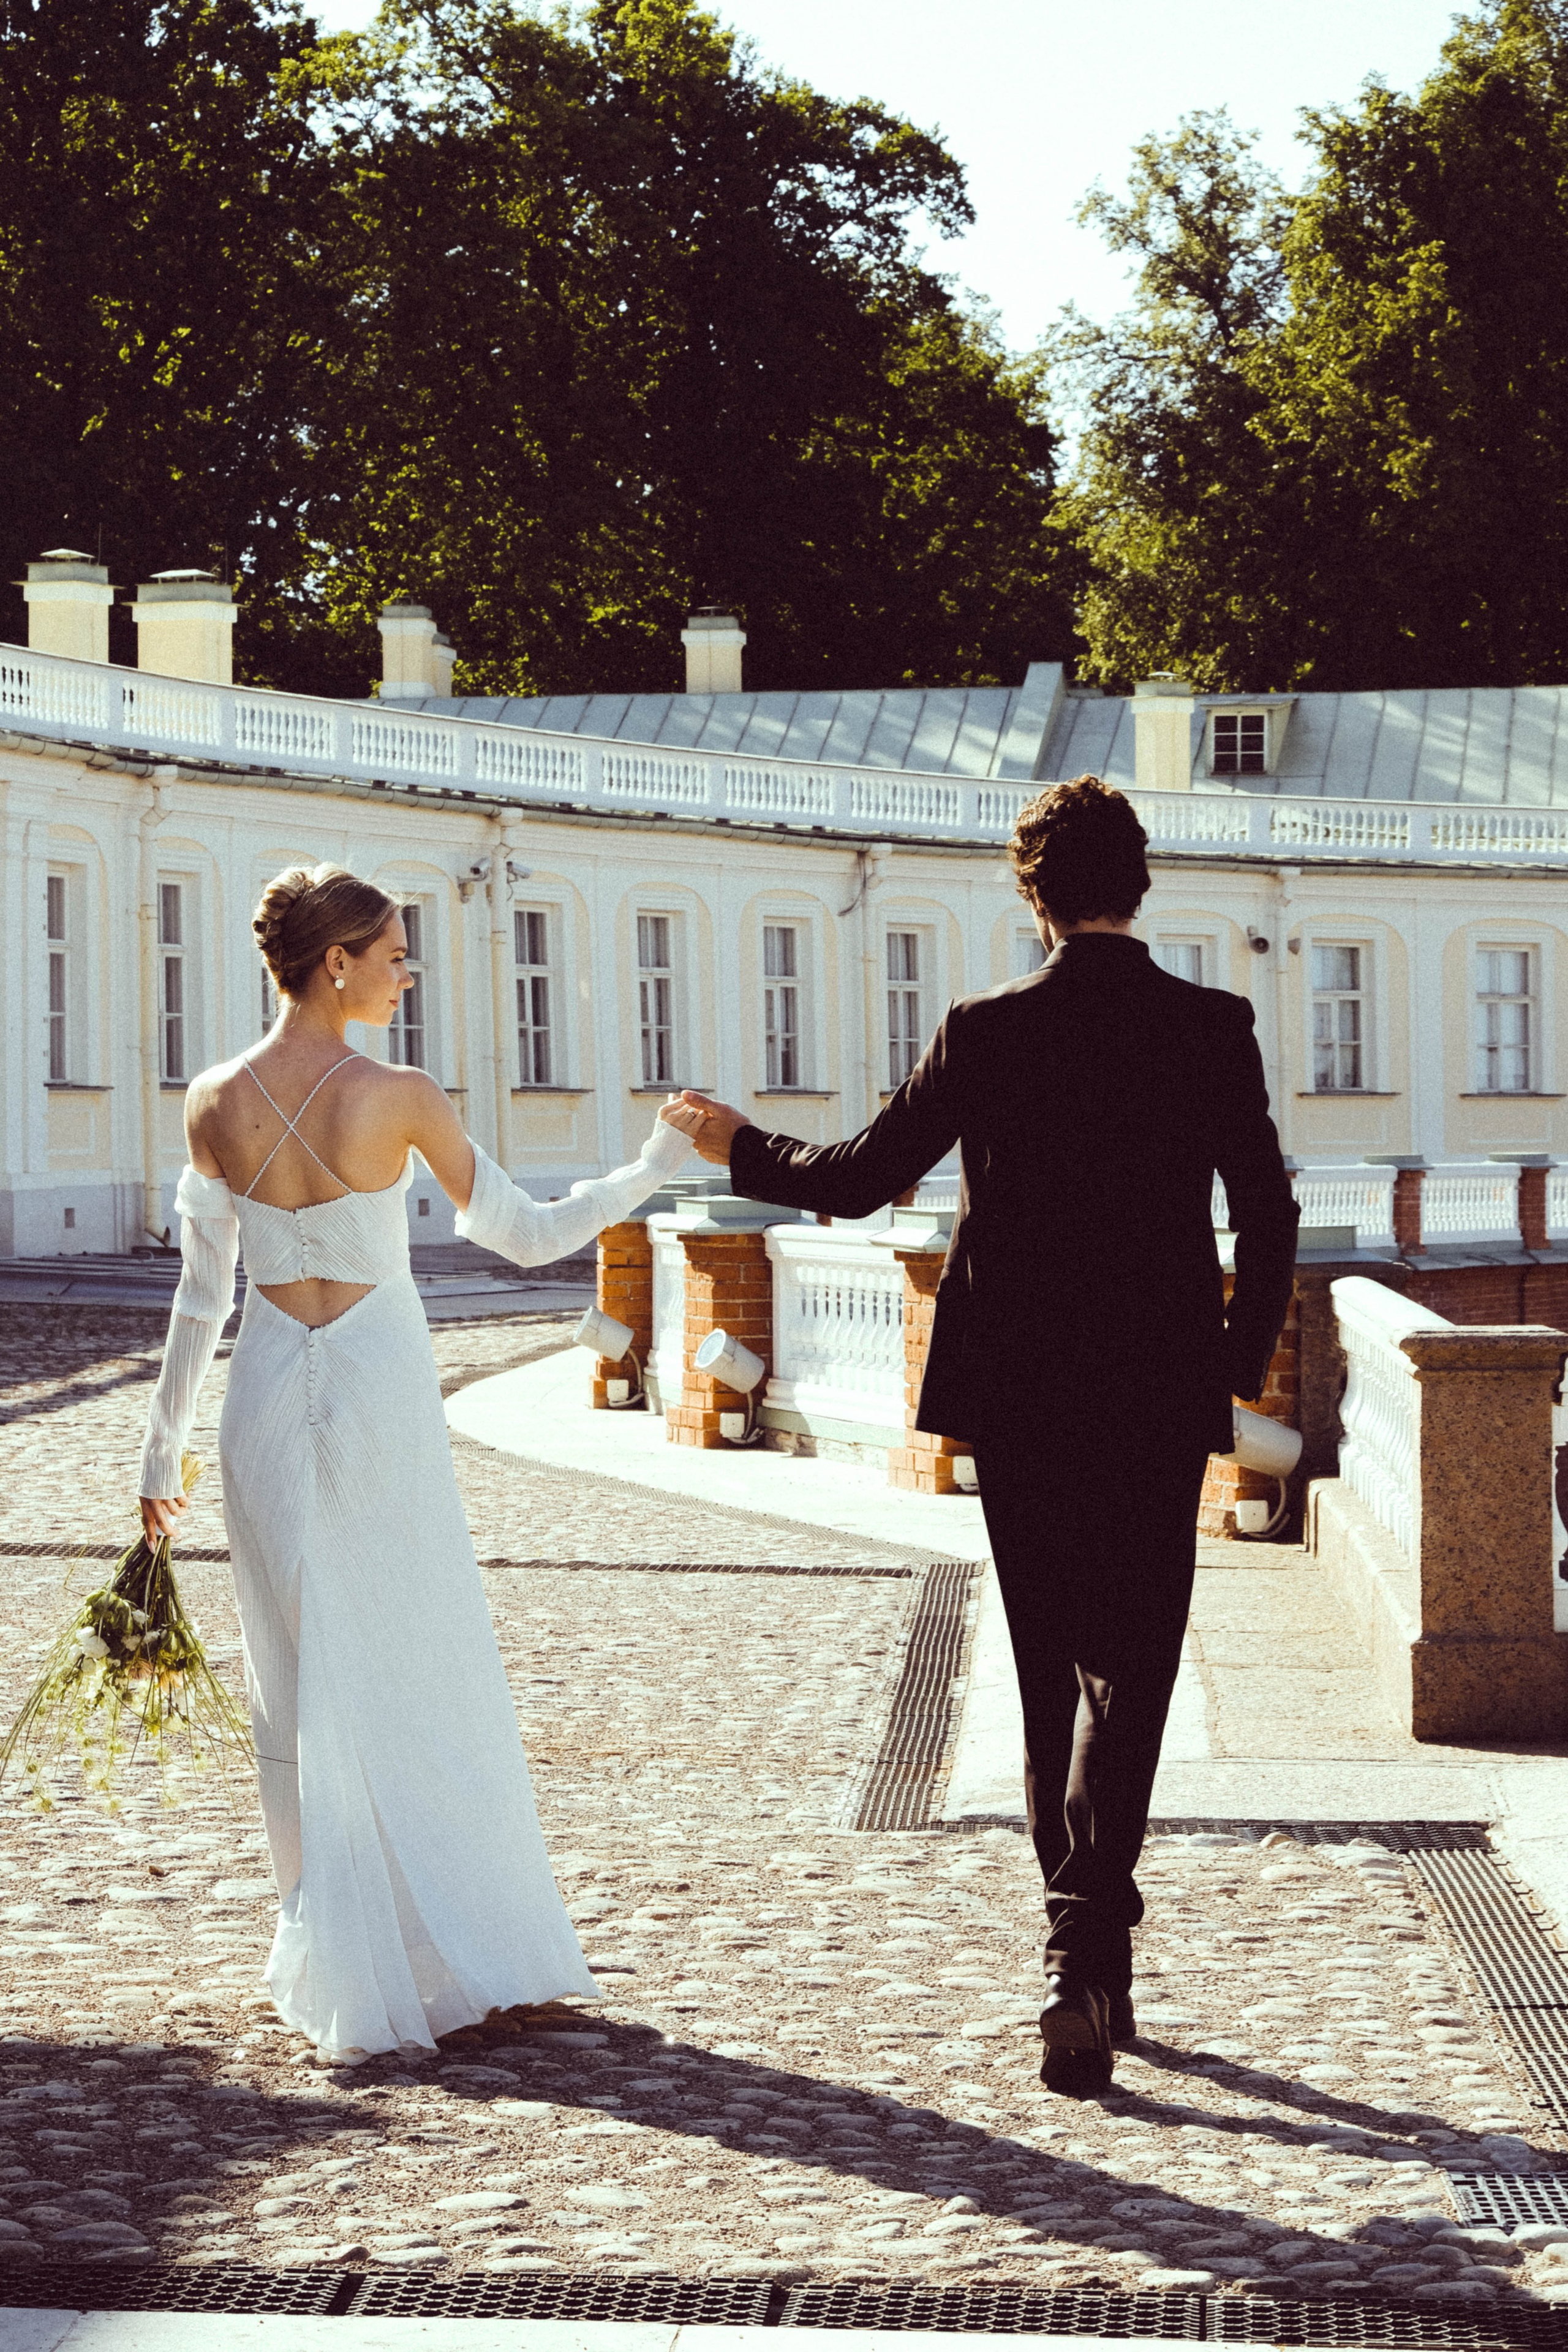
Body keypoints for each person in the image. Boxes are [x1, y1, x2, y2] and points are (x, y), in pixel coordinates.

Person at [669, 777, 1299, 2094]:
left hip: (1019, 1391)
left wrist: (738, 1143)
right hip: (1150, 1390)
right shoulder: (1212, 1024)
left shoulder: (983, 1028)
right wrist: (1230, 1378)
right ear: (1141, 883)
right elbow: (1267, 1211)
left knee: (1045, 1666)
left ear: (1033, 893)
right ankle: (1087, 1946)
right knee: (1134, 1666)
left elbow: (852, 1178)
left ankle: (1076, 1953)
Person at [137, 863, 693, 2064]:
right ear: (334, 961)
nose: (407, 968)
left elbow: (203, 1297)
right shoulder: (398, 1094)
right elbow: (529, 1235)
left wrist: (157, 1451)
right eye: (392, 950)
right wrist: (649, 1165)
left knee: (291, 1679)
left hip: (265, 1398)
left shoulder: (214, 1097)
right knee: (422, 1665)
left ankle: (332, 1947)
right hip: (380, 1394)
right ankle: (454, 1958)